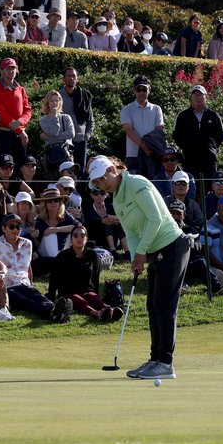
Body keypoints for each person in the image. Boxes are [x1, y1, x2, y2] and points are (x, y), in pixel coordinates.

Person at [87, 156, 191, 381]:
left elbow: (156, 218)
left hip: (173, 246)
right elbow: (131, 233)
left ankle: (165, 362)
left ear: (113, 169)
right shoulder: (116, 199)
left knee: (164, 306)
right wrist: (136, 258)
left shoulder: (136, 183)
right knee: (153, 305)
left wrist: (142, 251)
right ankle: (155, 360)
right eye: (97, 182)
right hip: (154, 251)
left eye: (103, 178)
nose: (101, 184)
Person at [121, 76, 165, 178]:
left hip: (152, 154)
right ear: (134, 91)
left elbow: (159, 130)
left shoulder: (156, 109)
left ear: (149, 90)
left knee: (153, 185)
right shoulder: (127, 109)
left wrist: (150, 147)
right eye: (138, 89)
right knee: (135, 185)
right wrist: (143, 146)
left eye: (144, 89)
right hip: (134, 155)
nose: (141, 92)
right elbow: (128, 130)